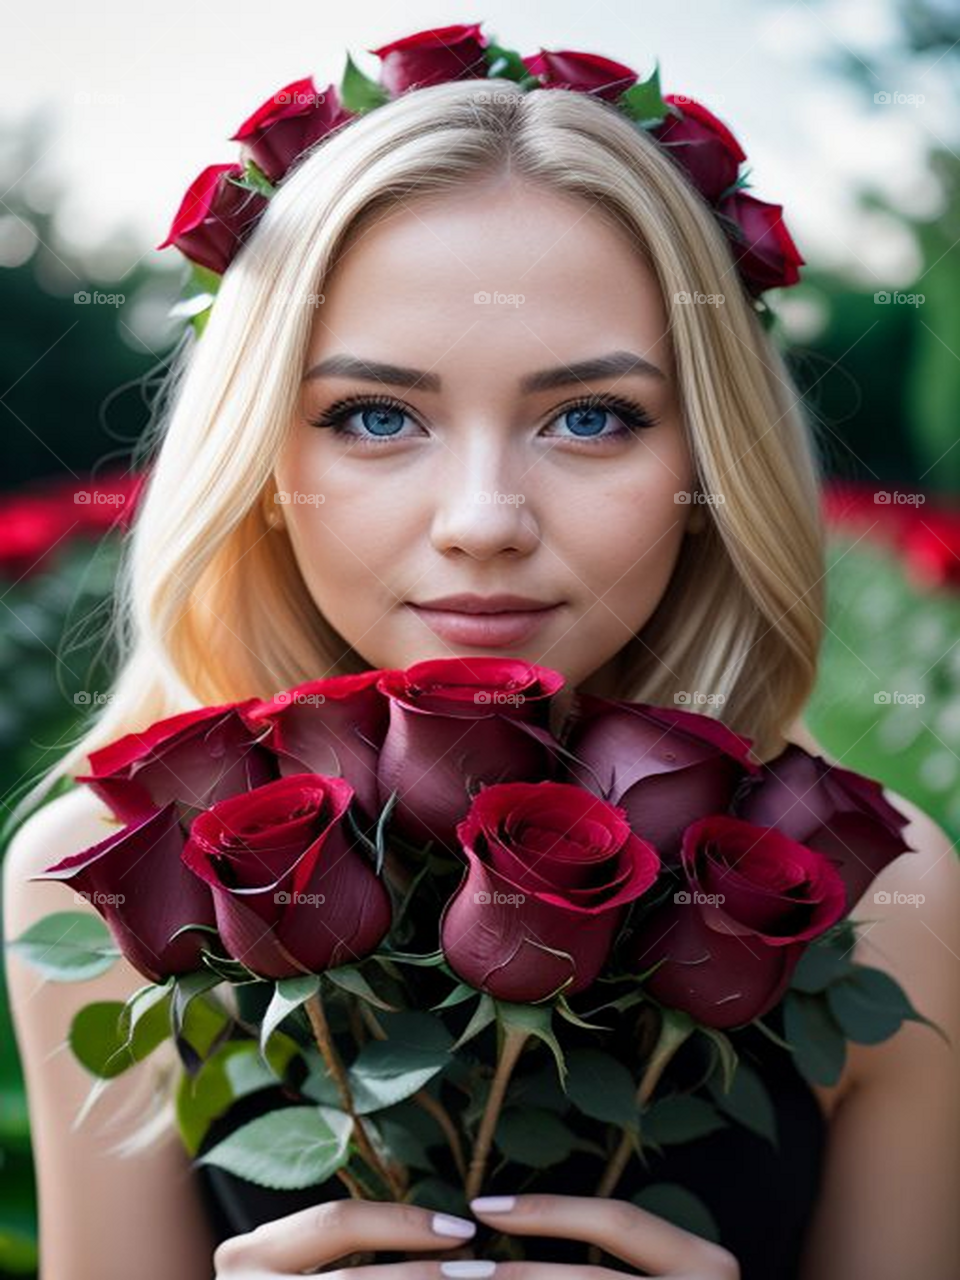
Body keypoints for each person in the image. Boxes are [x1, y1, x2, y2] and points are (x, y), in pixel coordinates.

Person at [4, 28, 960, 1280]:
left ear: (706, 466)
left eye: (591, 416)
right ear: (264, 466)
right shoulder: (93, 878)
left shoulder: (885, 900)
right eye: (376, 415)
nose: (481, 521)